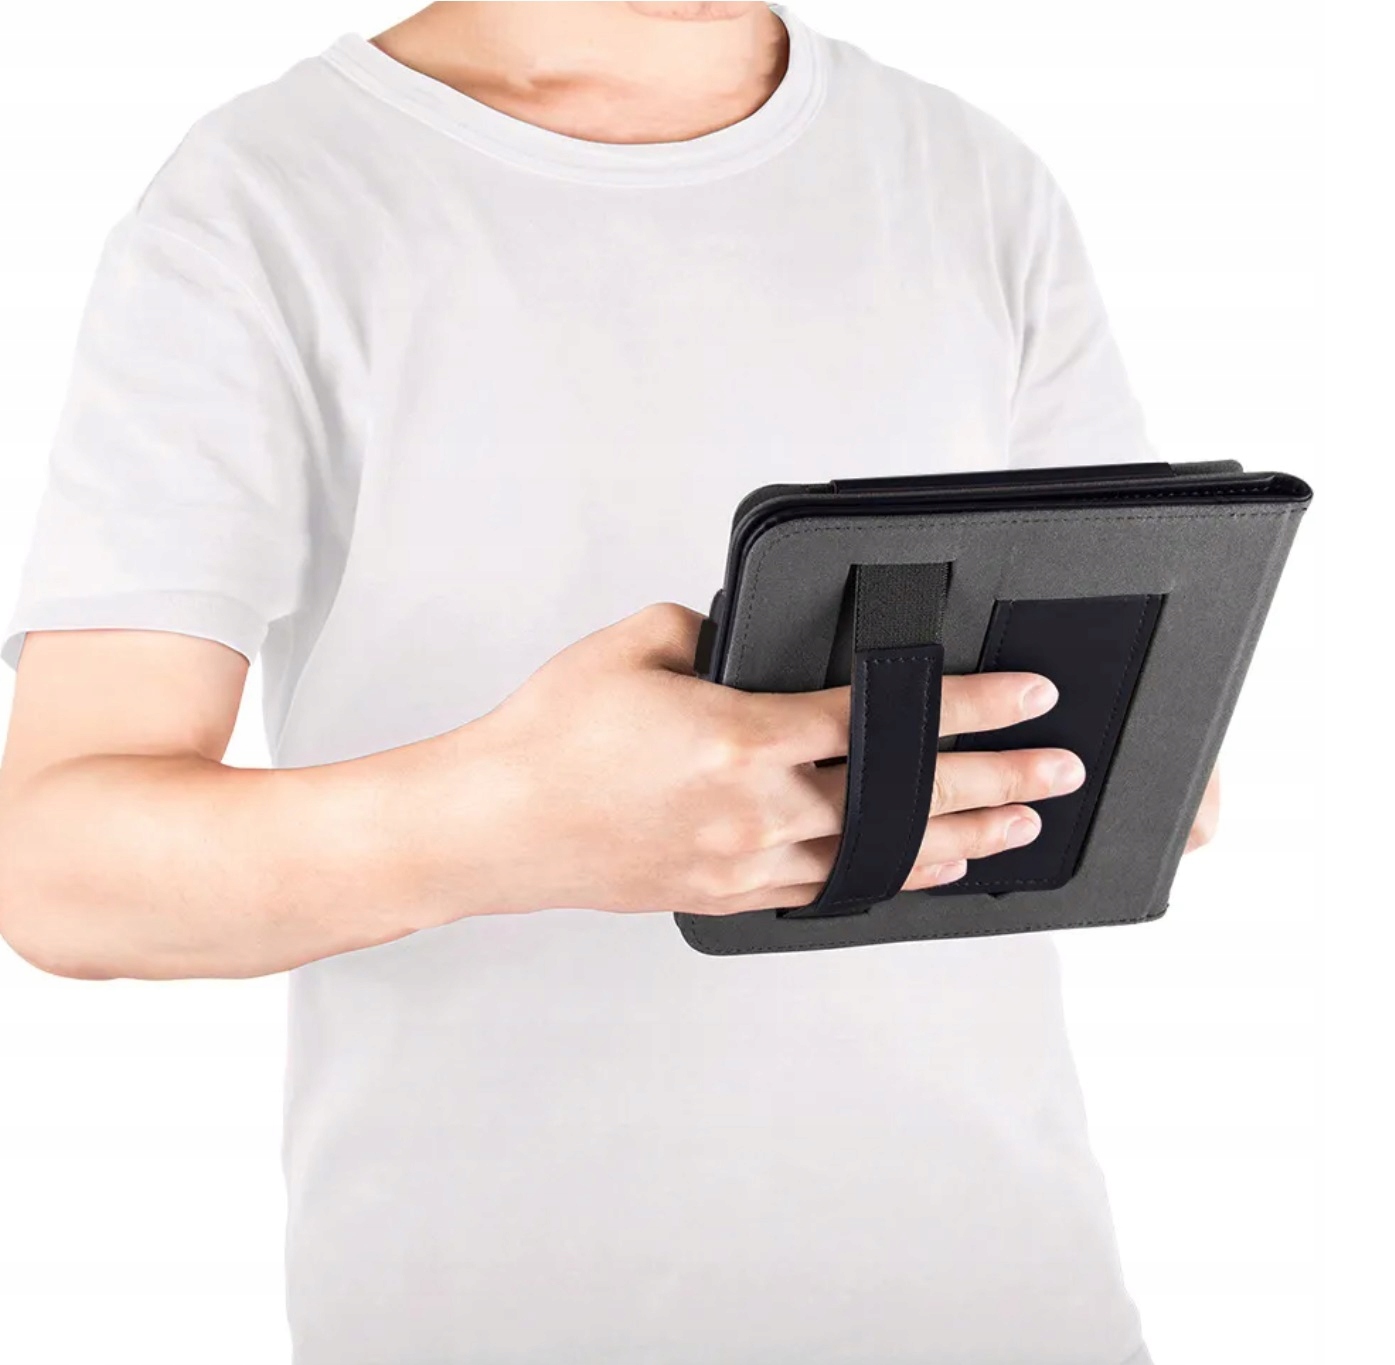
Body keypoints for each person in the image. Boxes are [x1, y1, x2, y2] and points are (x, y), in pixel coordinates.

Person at [0, 4, 1218, 1362]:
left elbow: (1126, 681)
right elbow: (58, 868)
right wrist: (509, 824)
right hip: (500, 1318)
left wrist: (1132, 763)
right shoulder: (262, 198)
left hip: (1012, 1303)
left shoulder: (973, 175)